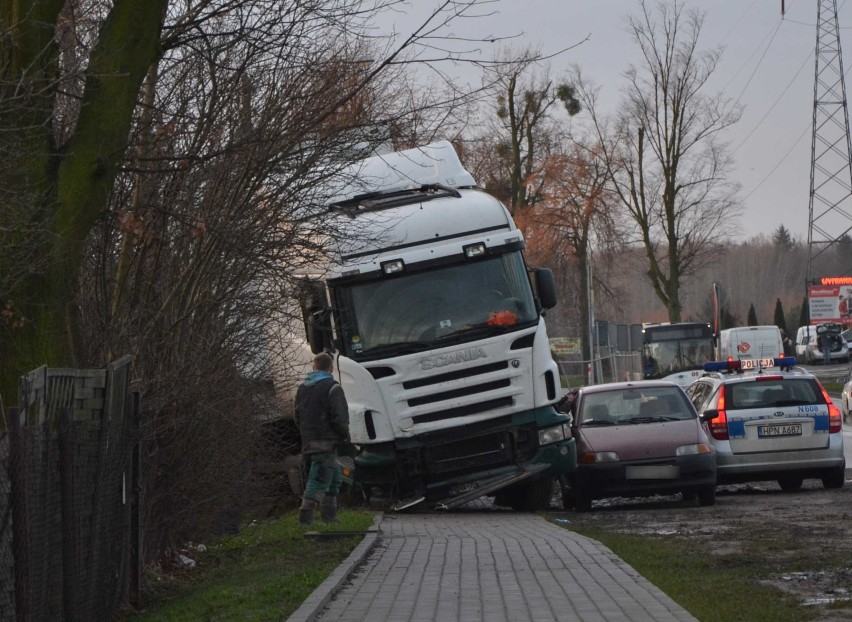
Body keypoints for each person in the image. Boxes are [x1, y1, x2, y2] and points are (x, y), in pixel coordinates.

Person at [294, 352, 350, 525]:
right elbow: (339, 417)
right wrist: (344, 435)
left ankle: (330, 518)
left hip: (309, 440)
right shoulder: (333, 387)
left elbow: (297, 416)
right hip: (326, 441)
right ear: (331, 368)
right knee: (318, 480)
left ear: (313, 367)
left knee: (334, 478)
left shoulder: (302, 388)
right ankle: (305, 520)